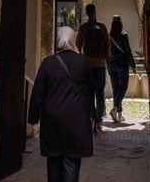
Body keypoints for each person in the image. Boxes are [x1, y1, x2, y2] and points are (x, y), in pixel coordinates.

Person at [28, 25, 93, 182]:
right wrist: (92, 114)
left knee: (53, 161)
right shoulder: (83, 62)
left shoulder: (48, 63)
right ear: (73, 41)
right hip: (75, 120)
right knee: (71, 161)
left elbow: (38, 93)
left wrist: (33, 118)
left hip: (52, 121)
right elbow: (90, 91)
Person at [75, 3, 110, 131]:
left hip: (88, 64)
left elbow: (78, 44)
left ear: (87, 12)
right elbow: (107, 43)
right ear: (95, 12)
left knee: (89, 92)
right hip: (100, 64)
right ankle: (99, 119)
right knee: (100, 92)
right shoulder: (102, 27)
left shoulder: (83, 28)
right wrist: (106, 57)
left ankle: (91, 115)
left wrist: (82, 56)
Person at [107, 15, 136, 122]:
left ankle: (119, 115)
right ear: (120, 23)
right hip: (122, 64)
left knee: (116, 90)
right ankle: (115, 108)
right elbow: (128, 50)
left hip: (111, 64)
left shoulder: (109, 35)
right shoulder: (123, 35)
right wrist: (133, 65)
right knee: (123, 87)